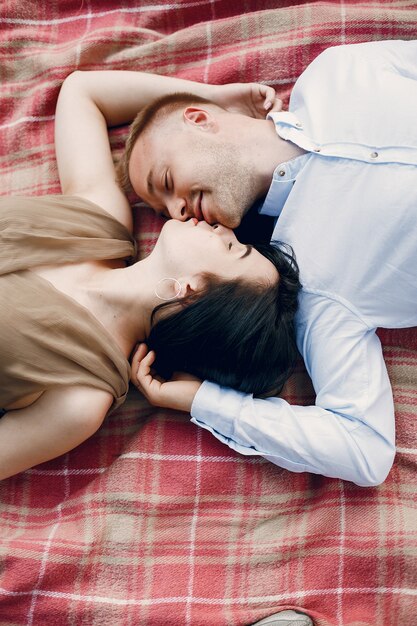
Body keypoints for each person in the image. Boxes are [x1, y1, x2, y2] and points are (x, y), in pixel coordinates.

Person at [117, 39, 417, 487]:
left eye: (164, 181)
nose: (176, 213)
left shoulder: (336, 71)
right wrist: (203, 401)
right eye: (164, 213)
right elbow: (363, 448)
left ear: (198, 120)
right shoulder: (310, 285)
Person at [0, 71, 303, 481]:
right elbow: (83, 92)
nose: (226, 229)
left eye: (233, 249)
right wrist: (212, 98)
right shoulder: (100, 222)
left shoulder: (80, 398)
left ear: (190, 289)